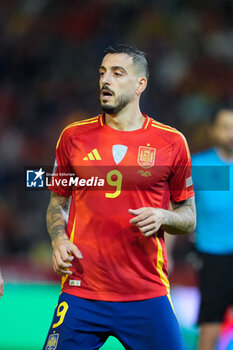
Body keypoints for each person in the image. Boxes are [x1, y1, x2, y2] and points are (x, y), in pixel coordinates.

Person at [43, 44, 196, 350]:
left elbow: (189, 216)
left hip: (146, 294)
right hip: (81, 291)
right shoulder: (73, 137)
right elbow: (57, 205)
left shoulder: (172, 142)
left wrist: (164, 217)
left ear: (141, 84)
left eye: (117, 73)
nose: (105, 81)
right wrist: (59, 240)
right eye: (102, 73)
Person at [192, 107, 233, 350]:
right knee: (211, 323)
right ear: (213, 131)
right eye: (226, 127)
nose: (231, 134)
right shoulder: (200, 166)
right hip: (212, 256)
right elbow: (179, 210)